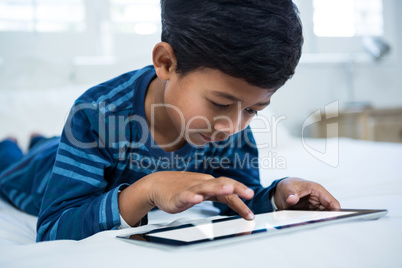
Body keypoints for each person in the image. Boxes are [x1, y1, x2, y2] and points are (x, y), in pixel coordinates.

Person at [0, 0, 340, 242]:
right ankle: (15, 145)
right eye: (220, 102)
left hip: (79, 155)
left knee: (51, 147)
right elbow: (54, 226)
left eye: (253, 110)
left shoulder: (231, 127)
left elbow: (237, 198)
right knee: (16, 164)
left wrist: (279, 196)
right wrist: (147, 190)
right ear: (166, 62)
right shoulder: (97, 113)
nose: (231, 127)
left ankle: (40, 140)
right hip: (39, 175)